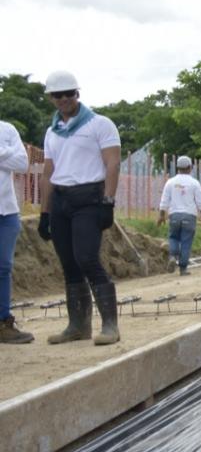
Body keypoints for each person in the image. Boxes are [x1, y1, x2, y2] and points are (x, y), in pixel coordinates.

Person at [37, 70, 122, 346]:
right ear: (51, 98)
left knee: (87, 258)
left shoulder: (100, 124)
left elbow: (112, 163)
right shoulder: (53, 132)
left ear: (77, 94)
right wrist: (45, 212)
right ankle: (78, 325)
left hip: (89, 199)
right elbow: (48, 172)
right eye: (57, 95)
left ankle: (110, 325)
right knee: (69, 264)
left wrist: (108, 201)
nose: (63, 99)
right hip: (61, 201)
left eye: (68, 94)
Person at [0, 119, 33, 344]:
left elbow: (22, 163)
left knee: (4, 267)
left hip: (7, 211)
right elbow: (14, 159)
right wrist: (7, 153)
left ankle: (3, 323)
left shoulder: (7, 129)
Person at [157, 155, 201, 276]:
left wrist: (161, 215)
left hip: (174, 216)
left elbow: (164, 200)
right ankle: (183, 268)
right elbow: (200, 201)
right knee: (186, 241)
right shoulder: (194, 183)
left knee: (173, 237)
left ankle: (173, 256)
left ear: (177, 168)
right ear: (190, 167)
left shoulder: (170, 182)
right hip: (190, 217)